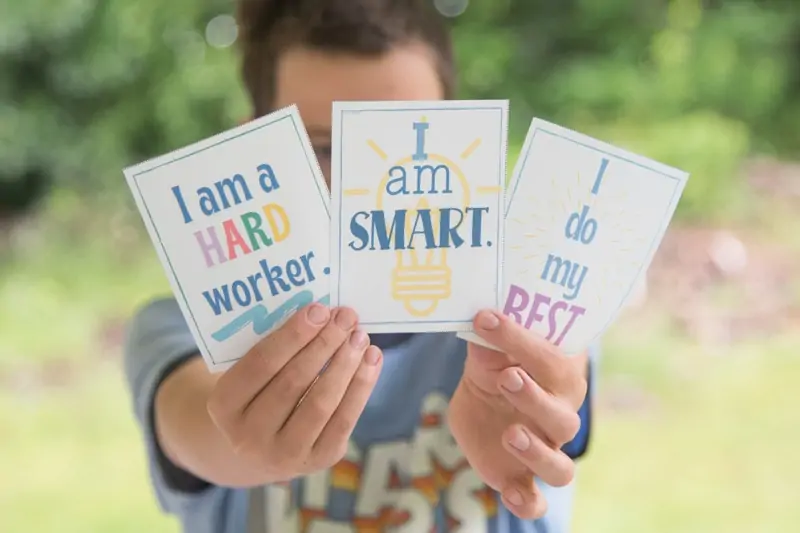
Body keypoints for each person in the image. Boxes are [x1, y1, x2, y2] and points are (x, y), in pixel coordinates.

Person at [123, 1, 596, 532]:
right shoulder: (187, 331)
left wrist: (534, 410)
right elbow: (196, 422)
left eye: (405, 143)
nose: (368, 190)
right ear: (252, 150)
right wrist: (245, 437)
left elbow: (565, 379)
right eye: (326, 149)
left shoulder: (525, 309)